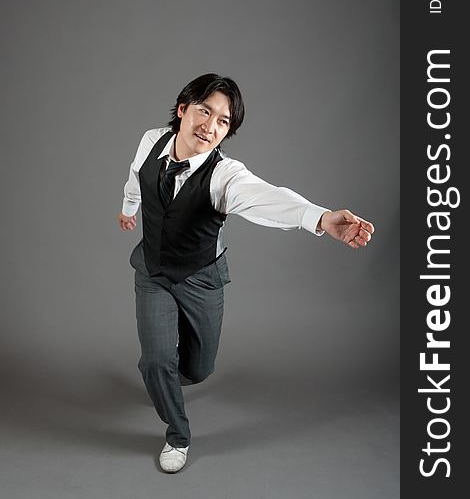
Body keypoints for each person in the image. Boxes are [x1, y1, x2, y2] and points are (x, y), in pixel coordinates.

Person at [118, 73, 374, 473]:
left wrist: (321, 218)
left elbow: (269, 198)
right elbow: (137, 175)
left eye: (223, 121)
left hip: (202, 277)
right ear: (183, 109)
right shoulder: (152, 141)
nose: (210, 125)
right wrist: (129, 208)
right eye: (205, 111)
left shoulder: (225, 175)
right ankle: (177, 433)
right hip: (152, 270)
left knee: (199, 369)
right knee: (156, 359)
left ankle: (165, 375)